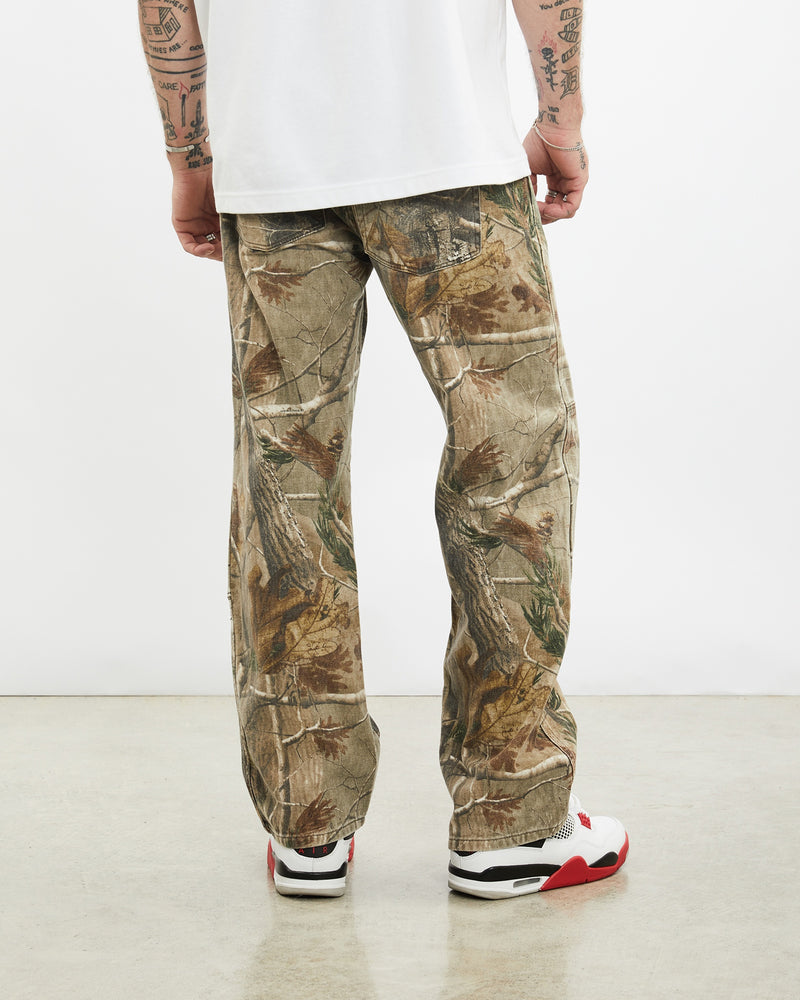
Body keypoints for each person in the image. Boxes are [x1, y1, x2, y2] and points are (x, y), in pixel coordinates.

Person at [138, 0, 628, 900]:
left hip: (271, 156)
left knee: (286, 479)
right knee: (515, 461)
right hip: (449, 144)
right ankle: (513, 816)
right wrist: (560, 114)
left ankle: (307, 823)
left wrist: (190, 156)